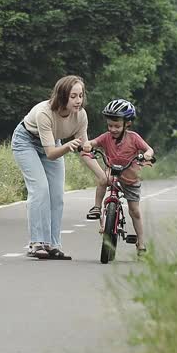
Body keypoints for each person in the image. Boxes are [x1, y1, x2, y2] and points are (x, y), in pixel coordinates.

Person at [10, 75, 102, 260]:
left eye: (81, 96)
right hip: (26, 141)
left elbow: (85, 148)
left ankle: (53, 245)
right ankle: (37, 243)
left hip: (54, 143)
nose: (78, 101)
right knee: (40, 189)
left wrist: (101, 174)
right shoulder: (45, 112)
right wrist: (68, 146)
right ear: (62, 96)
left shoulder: (81, 115)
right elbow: (51, 153)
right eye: (73, 96)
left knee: (57, 195)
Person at [82, 98, 155, 255]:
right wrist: (88, 144)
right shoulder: (106, 137)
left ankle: (141, 242)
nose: (113, 129)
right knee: (103, 179)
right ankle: (97, 207)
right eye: (110, 125)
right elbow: (93, 142)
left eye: (117, 126)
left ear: (127, 123)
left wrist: (147, 155)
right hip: (112, 172)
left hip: (130, 176)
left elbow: (149, 150)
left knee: (134, 210)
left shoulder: (134, 138)